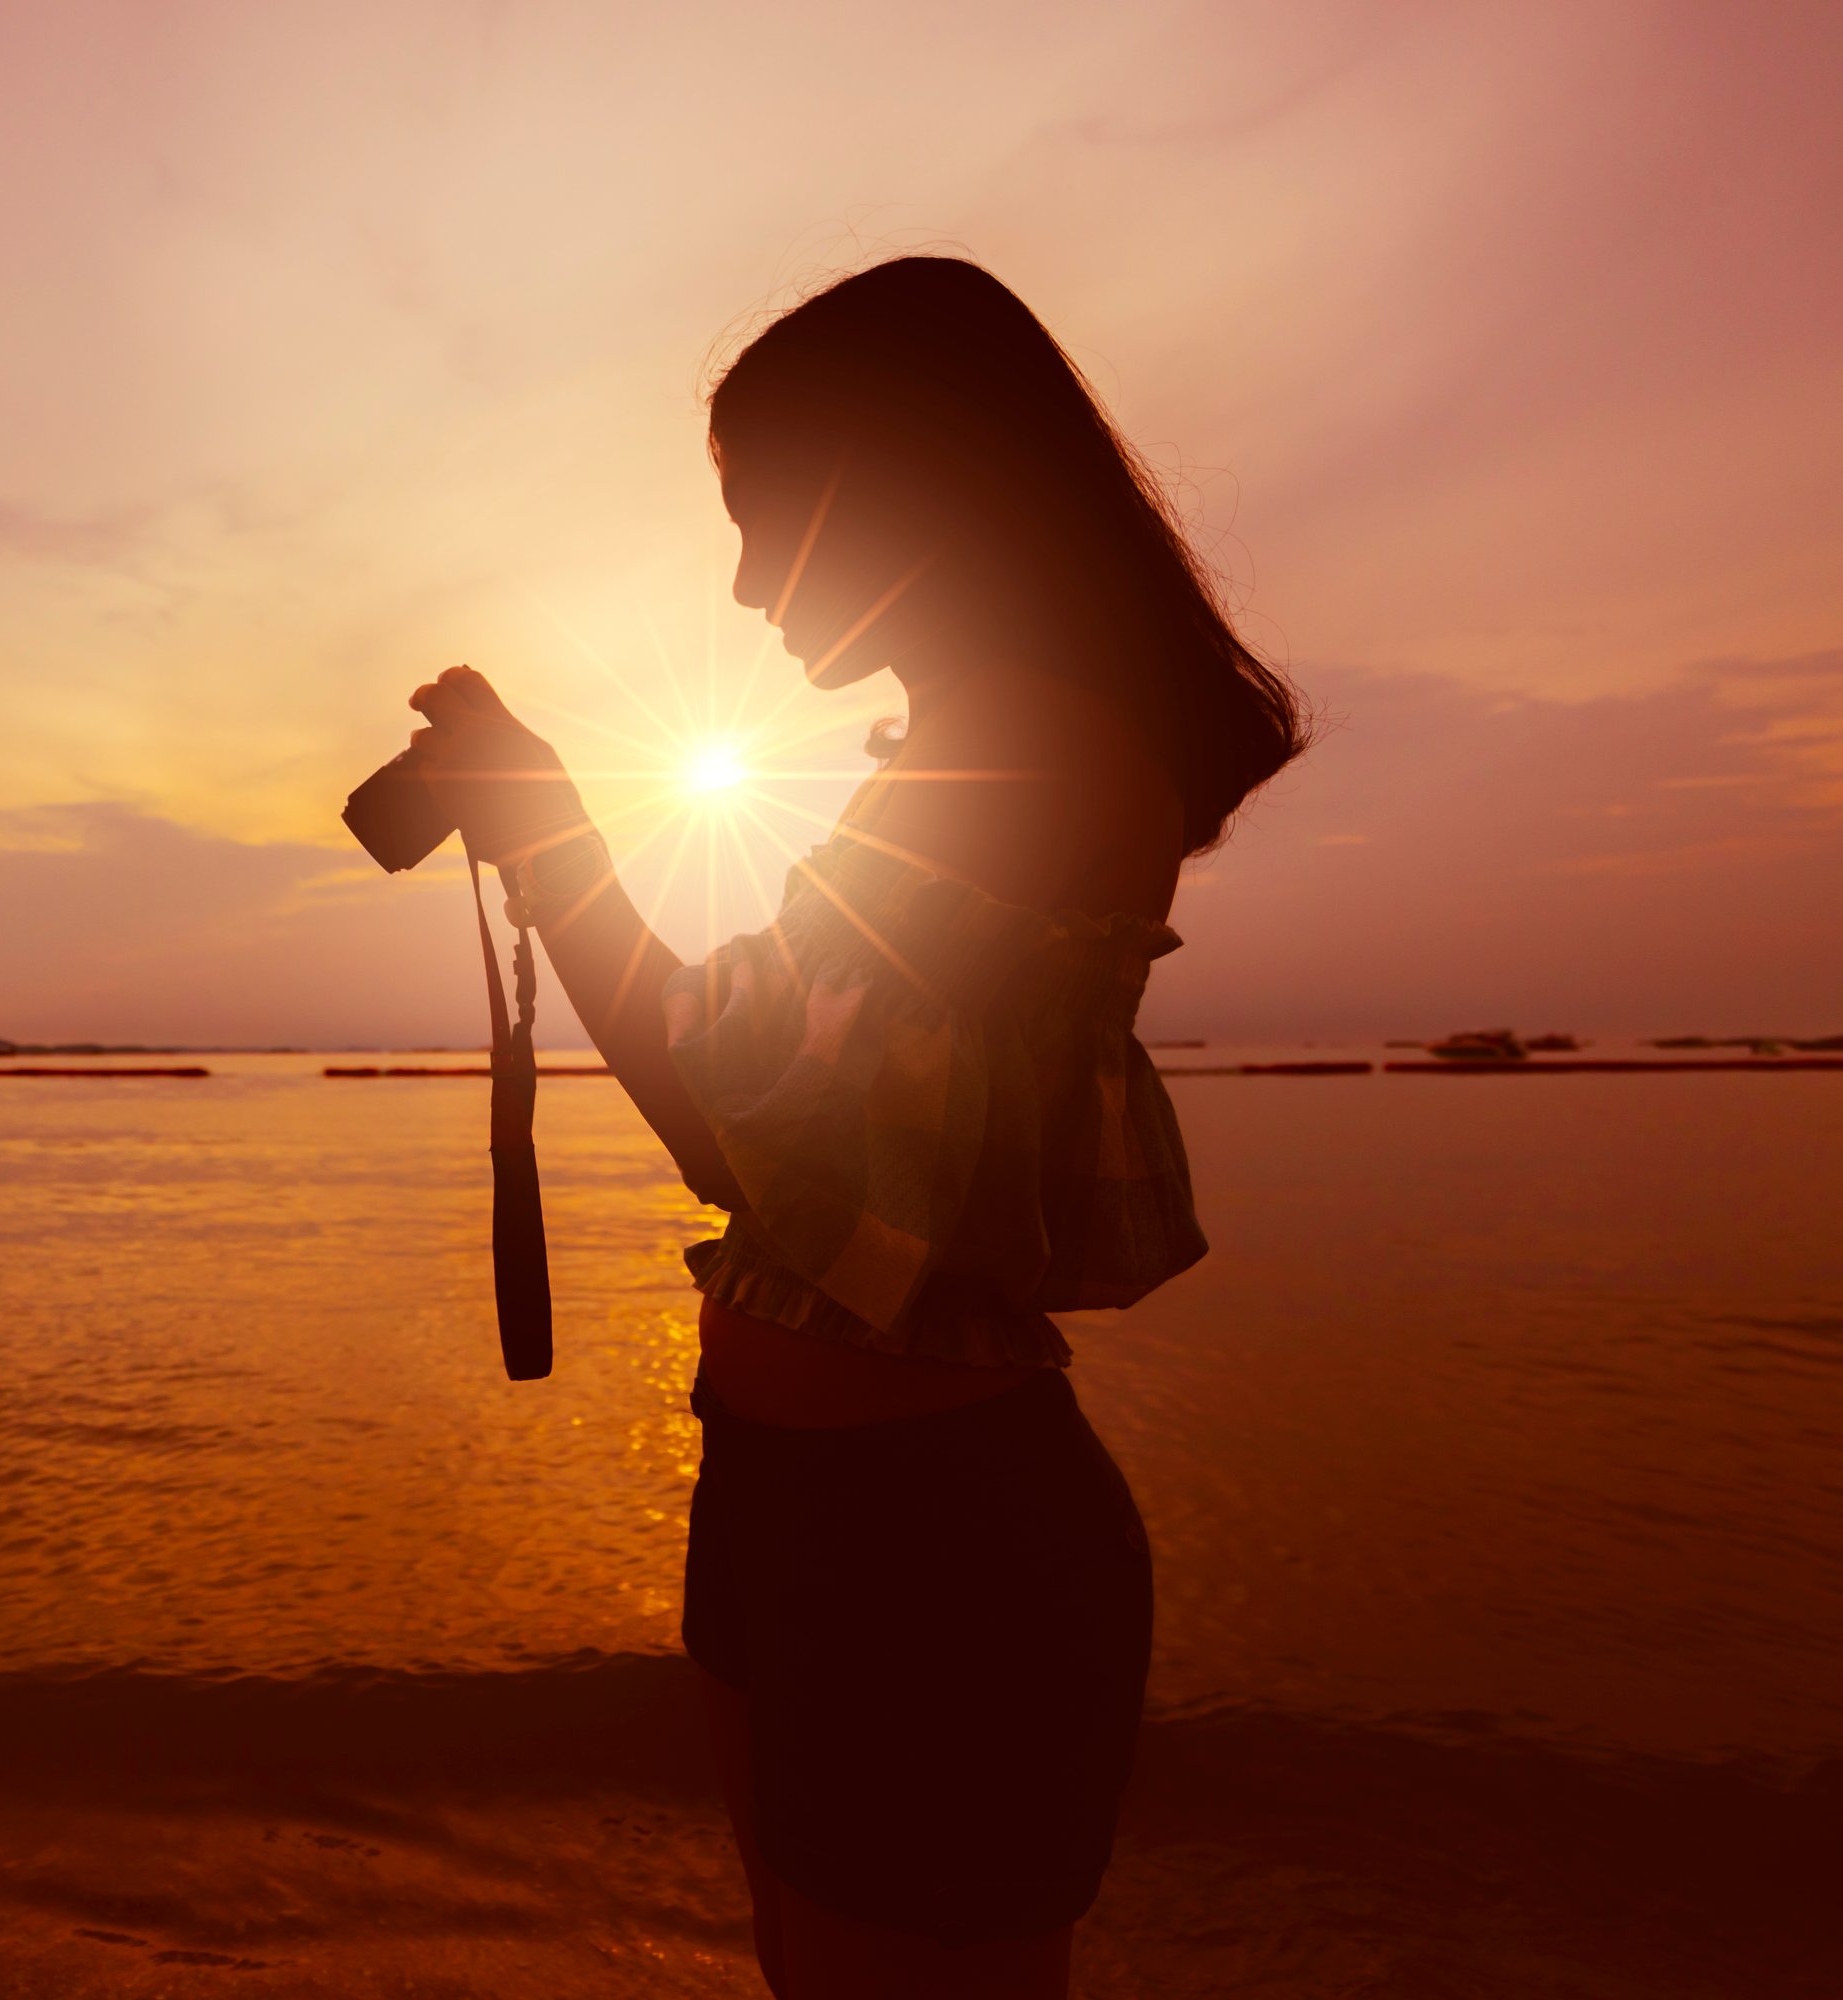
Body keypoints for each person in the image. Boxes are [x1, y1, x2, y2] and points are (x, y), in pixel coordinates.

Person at [400, 256, 1309, 1998]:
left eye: (765, 517)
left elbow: (743, 1133)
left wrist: (554, 833)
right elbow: (758, 1114)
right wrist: (552, 830)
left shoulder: (1042, 753)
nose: (743, 584)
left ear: (902, 486)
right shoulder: (962, 755)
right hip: (811, 1497)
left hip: (926, 1542)